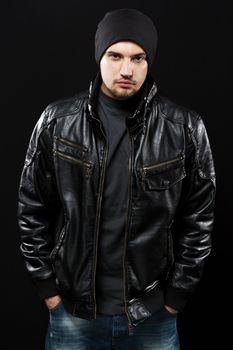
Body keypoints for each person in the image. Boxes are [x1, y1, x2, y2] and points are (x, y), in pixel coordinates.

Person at [17, 8, 216, 350]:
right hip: (73, 314)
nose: (127, 69)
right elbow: (31, 208)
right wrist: (48, 292)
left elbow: (199, 220)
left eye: (138, 58)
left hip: (152, 315)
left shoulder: (184, 128)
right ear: (100, 57)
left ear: (149, 61)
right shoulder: (57, 121)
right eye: (115, 56)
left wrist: (174, 299)